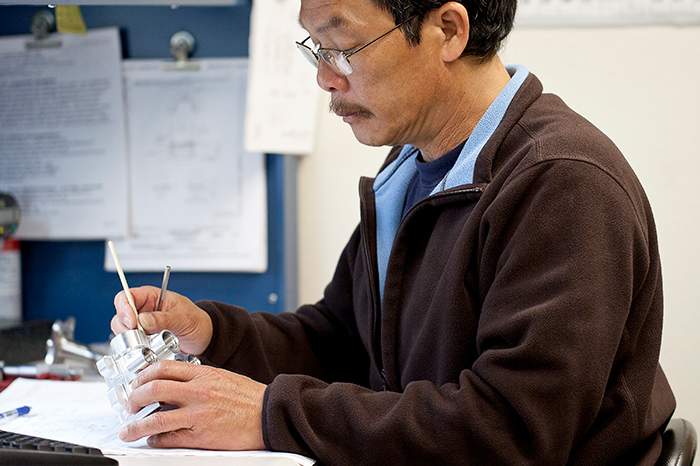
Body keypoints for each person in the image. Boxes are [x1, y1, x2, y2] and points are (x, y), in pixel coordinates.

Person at [111, 0, 677, 462]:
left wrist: (269, 414)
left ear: (448, 30)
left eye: (342, 48)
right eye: (315, 50)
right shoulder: (408, 168)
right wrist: (211, 334)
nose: (325, 79)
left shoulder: (563, 182)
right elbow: (342, 338)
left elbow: (510, 432)